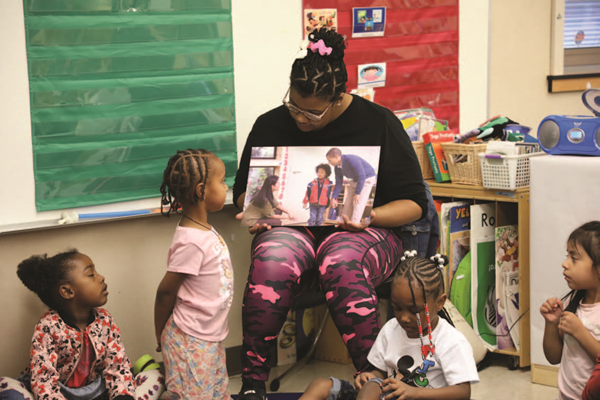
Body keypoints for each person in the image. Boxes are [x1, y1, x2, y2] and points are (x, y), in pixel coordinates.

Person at [233, 27, 428, 400]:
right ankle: (252, 386)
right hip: (294, 227)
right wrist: (257, 209)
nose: (300, 119)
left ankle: (373, 380)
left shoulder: (379, 122)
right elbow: (244, 192)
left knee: (340, 260)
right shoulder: (270, 123)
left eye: (312, 113)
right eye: (293, 106)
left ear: (339, 97)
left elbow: (414, 204)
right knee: (272, 258)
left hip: (365, 231)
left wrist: (369, 218)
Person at [299, 253, 479, 400]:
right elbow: (379, 371)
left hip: (420, 397)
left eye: (414, 310)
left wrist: (415, 392)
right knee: (321, 386)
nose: (404, 318)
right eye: (397, 308)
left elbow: (463, 393)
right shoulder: (391, 328)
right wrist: (368, 376)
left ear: (439, 303)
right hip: (388, 395)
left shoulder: (451, 341)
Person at [0, 250, 165, 400]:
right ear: (68, 291)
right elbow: (44, 379)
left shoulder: (104, 320)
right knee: (6, 385)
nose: (101, 278)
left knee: (156, 376)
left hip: (96, 390)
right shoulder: (47, 327)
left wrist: (122, 396)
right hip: (59, 392)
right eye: (91, 274)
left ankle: (141, 371)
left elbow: (117, 364)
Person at [154, 149, 234, 400]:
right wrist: (160, 334)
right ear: (201, 190)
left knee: (218, 392)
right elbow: (165, 291)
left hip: (209, 336)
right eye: (222, 182)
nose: (227, 186)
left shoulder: (203, 230)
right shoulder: (191, 241)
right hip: (190, 339)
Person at [540, 221, 600, 400]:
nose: (565, 264)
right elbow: (554, 357)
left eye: (574, 258)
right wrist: (551, 323)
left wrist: (580, 332)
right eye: (567, 256)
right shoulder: (576, 303)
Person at [326, 148, 377, 224]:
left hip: (367, 177)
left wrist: (357, 193)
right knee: (347, 204)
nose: (329, 163)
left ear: (336, 157)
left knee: (357, 203)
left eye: (330, 160)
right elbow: (339, 183)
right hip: (356, 179)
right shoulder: (337, 167)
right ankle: (343, 224)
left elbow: (362, 176)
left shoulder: (351, 159)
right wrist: (334, 197)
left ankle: (354, 224)